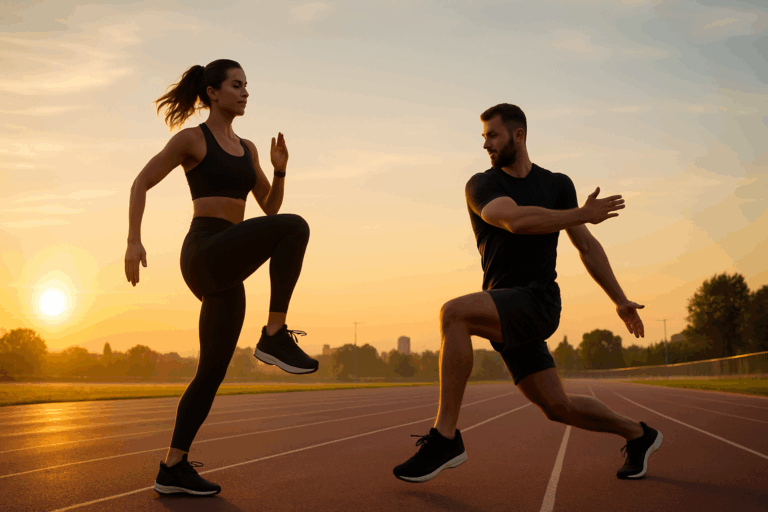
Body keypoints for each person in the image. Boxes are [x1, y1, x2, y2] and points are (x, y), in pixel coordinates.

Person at [393, 103, 663, 483]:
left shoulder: (557, 185)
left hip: (538, 301)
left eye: (492, 134)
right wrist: (581, 213)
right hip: (503, 306)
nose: (485, 143)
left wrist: (619, 299)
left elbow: (586, 247)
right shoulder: (482, 185)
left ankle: (445, 438)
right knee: (558, 406)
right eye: (484, 135)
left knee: (454, 313)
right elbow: (515, 220)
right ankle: (638, 433)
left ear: (518, 135)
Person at [124, 59, 319, 496]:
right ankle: (274, 334)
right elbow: (140, 183)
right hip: (205, 251)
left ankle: (172, 466)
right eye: (236, 85)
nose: (245, 92)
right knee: (296, 226)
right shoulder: (193, 139)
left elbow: (268, 207)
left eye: (247, 85)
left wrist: (281, 168)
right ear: (213, 92)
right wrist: (134, 241)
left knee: (211, 372)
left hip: (231, 260)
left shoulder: (248, 149)